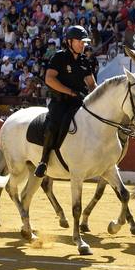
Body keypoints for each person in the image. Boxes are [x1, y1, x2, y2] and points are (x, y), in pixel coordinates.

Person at [33, 25, 97, 177]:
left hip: (79, 102)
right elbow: (49, 79)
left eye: (85, 42)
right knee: (54, 124)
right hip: (60, 102)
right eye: (80, 41)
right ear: (69, 42)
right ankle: (43, 161)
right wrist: (70, 91)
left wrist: (98, 98)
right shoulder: (59, 57)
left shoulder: (84, 61)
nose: (83, 44)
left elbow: (92, 84)